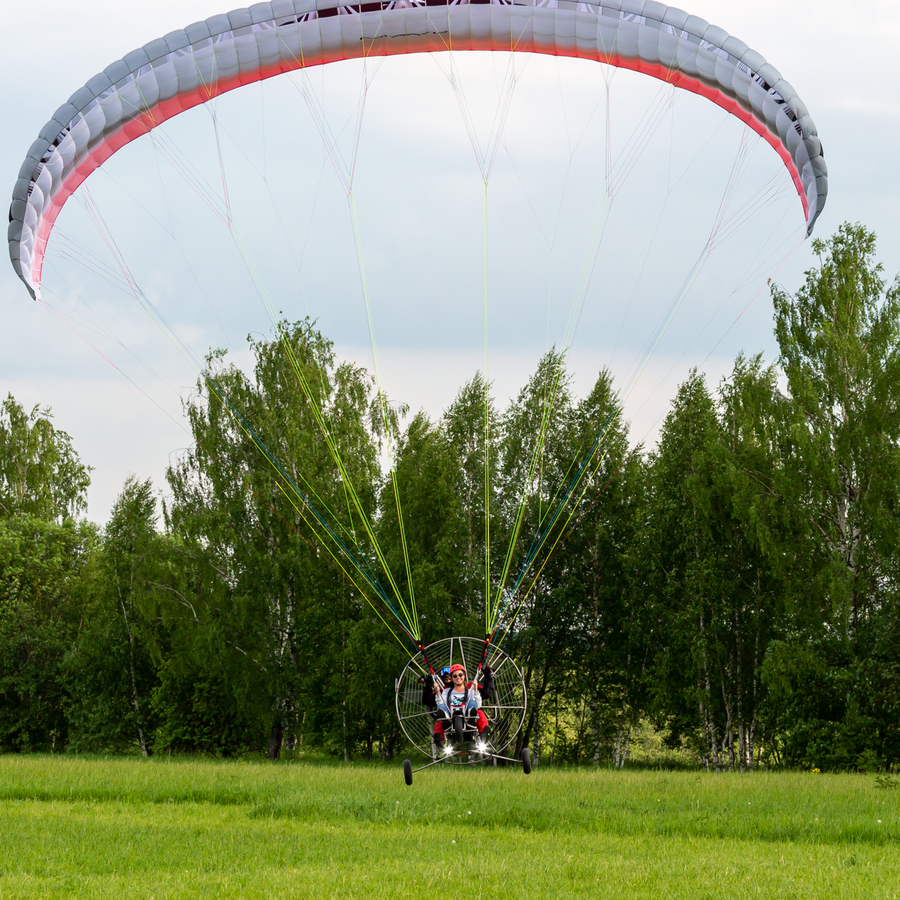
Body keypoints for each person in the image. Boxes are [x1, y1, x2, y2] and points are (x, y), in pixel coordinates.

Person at [431, 663, 493, 749]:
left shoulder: (470, 690)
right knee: (440, 717)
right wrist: (437, 692)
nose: (458, 678)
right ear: (451, 678)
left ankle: (483, 732)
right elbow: (440, 703)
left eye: (460, 675)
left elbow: (478, 705)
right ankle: (440, 738)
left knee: (479, 712)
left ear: (464, 675)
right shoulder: (446, 691)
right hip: (451, 716)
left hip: (468, 716)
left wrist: (475, 690)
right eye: (455, 676)